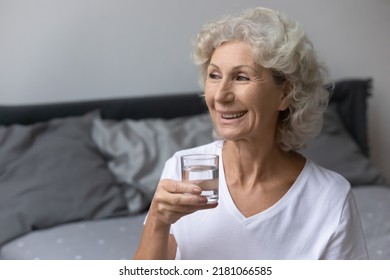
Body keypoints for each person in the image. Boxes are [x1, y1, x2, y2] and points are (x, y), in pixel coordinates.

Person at [133, 7, 368, 260]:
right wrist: (158, 219)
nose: (221, 95)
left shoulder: (330, 197)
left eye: (241, 77)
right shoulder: (182, 169)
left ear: (285, 94)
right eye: (214, 75)